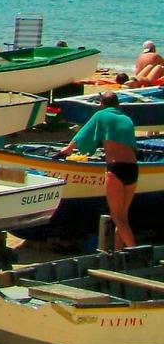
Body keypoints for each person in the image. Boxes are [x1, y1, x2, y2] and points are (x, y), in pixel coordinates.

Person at [60, 93, 139, 248]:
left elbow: (81, 136)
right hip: (133, 169)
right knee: (123, 217)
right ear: (118, 105)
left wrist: (66, 150)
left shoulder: (100, 115)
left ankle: (135, 252)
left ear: (102, 104)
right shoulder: (127, 119)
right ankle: (118, 253)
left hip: (116, 168)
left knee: (117, 217)